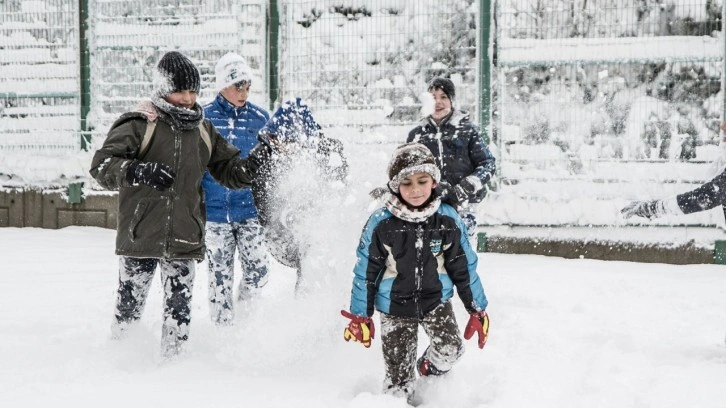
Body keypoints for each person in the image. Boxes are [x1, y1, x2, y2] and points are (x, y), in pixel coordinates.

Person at [89, 51, 269, 358]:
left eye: (193, 91)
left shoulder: (202, 129)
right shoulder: (139, 124)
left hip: (184, 235)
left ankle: (174, 370)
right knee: (129, 308)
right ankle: (118, 363)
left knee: (179, 312)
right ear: (162, 89)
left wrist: (255, 161)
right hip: (141, 234)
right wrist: (137, 170)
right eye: (180, 90)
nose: (187, 98)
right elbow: (102, 166)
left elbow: (230, 171)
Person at [340, 143, 489, 402]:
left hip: (435, 301)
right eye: (407, 183)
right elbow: (365, 271)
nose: (416, 189)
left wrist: (477, 308)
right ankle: (398, 396)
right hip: (394, 306)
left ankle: (427, 371)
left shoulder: (447, 219)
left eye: (422, 180)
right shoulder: (381, 222)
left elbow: (464, 267)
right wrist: (360, 315)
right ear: (395, 186)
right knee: (399, 382)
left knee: (451, 349)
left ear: (434, 181)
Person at [201, 52, 270, 325]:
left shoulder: (260, 119)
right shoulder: (203, 119)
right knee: (219, 278)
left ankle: (246, 320)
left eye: (247, 85)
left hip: (249, 211)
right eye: (237, 85)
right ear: (222, 86)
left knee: (258, 271)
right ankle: (223, 333)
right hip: (215, 214)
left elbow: (270, 166)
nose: (244, 92)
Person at [253, 97, 348, 293]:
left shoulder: (327, 153)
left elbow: (340, 188)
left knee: (313, 255)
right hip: (280, 231)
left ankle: (312, 303)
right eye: (278, 140)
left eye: (290, 141)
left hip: (317, 225)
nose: (285, 146)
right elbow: (261, 198)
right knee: (307, 254)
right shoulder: (265, 157)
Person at [407, 77, 496, 235]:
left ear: (452, 100)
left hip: (464, 203)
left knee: (460, 250)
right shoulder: (417, 135)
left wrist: (468, 185)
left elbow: (487, 163)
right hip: (429, 204)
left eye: (444, 97)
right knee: (431, 254)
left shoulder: (468, 131)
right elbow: (407, 170)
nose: (438, 102)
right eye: (433, 97)